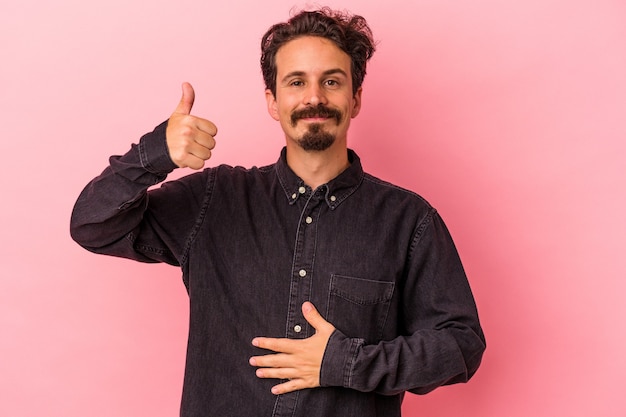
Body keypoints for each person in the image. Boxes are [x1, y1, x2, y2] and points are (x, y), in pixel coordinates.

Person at [70, 7, 485, 417]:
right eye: (296, 81)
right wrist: (155, 153)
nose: (314, 97)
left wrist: (346, 362)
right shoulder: (214, 199)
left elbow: (461, 346)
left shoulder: (409, 220)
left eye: (332, 81)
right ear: (273, 100)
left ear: (356, 99)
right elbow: (93, 225)